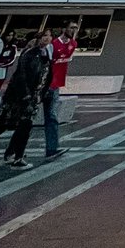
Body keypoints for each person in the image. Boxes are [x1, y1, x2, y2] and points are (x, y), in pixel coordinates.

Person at [0, 30, 52, 167]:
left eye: (50, 36)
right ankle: (14, 154)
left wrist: (41, 94)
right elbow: (21, 76)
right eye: (44, 36)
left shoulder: (45, 54)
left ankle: (17, 155)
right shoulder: (30, 54)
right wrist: (26, 95)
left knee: (24, 127)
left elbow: (45, 76)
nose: (48, 38)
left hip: (32, 98)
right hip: (18, 98)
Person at [43, 18, 77, 161]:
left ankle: (51, 149)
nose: (74, 30)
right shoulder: (52, 44)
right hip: (43, 84)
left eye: (76, 28)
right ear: (64, 29)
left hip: (55, 85)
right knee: (25, 119)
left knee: (52, 117)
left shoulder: (73, 44)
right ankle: (13, 150)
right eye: (72, 27)